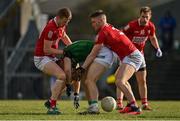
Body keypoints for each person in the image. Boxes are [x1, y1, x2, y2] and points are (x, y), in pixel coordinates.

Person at [77, 10, 145, 115]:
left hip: (132, 57)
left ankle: (134, 107)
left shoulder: (103, 32)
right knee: (121, 80)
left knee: (119, 81)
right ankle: (129, 105)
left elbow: (93, 54)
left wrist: (82, 68)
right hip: (129, 57)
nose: (93, 24)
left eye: (94, 22)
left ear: (101, 20)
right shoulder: (108, 27)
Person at [116, 6, 163, 111]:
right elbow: (120, 34)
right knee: (121, 79)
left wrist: (157, 48)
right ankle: (119, 103)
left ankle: (145, 104)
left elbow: (152, 37)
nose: (144, 19)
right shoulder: (132, 25)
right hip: (128, 56)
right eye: (142, 16)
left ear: (150, 17)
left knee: (142, 81)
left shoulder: (151, 26)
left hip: (140, 57)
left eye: (147, 17)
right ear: (139, 15)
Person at [34, 7, 73, 115]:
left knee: (71, 77)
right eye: (65, 21)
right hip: (41, 58)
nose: (66, 24)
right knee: (62, 76)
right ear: (59, 18)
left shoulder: (61, 24)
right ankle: (52, 107)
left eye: (68, 21)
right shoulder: (51, 28)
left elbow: (64, 36)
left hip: (51, 57)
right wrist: (64, 52)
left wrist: (73, 47)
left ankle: (51, 100)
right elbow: (46, 50)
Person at [63, 40, 116, 114]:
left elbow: (68, 71)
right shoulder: (72, 55)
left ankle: (94, 107)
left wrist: (68, 85)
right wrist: (76, 94)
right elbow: (77, 77)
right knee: (86, 81)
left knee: (89, 81)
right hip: (102, 54)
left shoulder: (66, 54)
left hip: (102, 54)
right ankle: (92, 105)